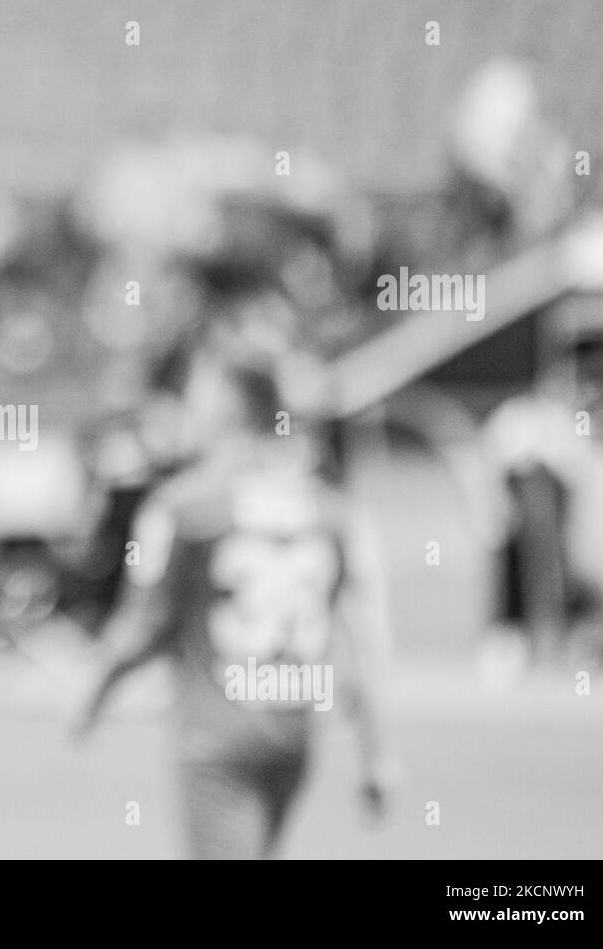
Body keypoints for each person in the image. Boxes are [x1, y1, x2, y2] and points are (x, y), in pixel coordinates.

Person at [72, 349, 398, 859]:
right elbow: (363, 638)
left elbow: (145, 626)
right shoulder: (330, 509)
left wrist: (94, 696)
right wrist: (379, 754)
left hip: (218, 730)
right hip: (294, 728)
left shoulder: (186, 506)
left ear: (226, 409)